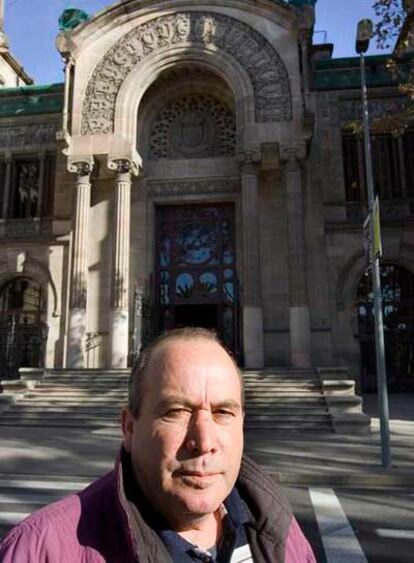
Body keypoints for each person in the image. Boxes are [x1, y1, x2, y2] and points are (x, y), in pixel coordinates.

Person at [0, 327, 316, 562]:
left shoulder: (280, 533)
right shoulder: (42, 550)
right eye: (176, 411)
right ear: (129, 427)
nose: (204, 442)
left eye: (223, 412)